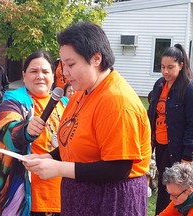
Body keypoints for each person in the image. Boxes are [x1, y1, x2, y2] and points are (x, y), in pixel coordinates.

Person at [24, 22, 151, 215]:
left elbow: (118, 168)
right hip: (82, 196)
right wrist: (49, 156)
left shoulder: (117, 101)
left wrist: (59, 168)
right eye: (62, 65)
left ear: (96, 59)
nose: (64, 73)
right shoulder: (81, 93)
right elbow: (75, 141)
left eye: (71, 64)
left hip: (111, 200)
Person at [0, 51, 67, 216]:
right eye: (33, 71)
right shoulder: (13, 100)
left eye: (45, 72)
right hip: (26, 201)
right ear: (24, 75)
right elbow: (6, 131)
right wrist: (25, 130)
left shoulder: (66, 103)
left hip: (64, 199)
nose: (40, 76)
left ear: (52, 76)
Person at [147, 44, 193, 215]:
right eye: (163, 67)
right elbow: (152, 113)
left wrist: (187, 156)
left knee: (175, 189)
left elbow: (191, 124)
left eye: (170, 67)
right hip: (160, 144)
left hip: (178, 148)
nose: (165, 72)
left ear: (181, 65)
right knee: (163, 185)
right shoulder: (159, 84)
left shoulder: (188, 88)